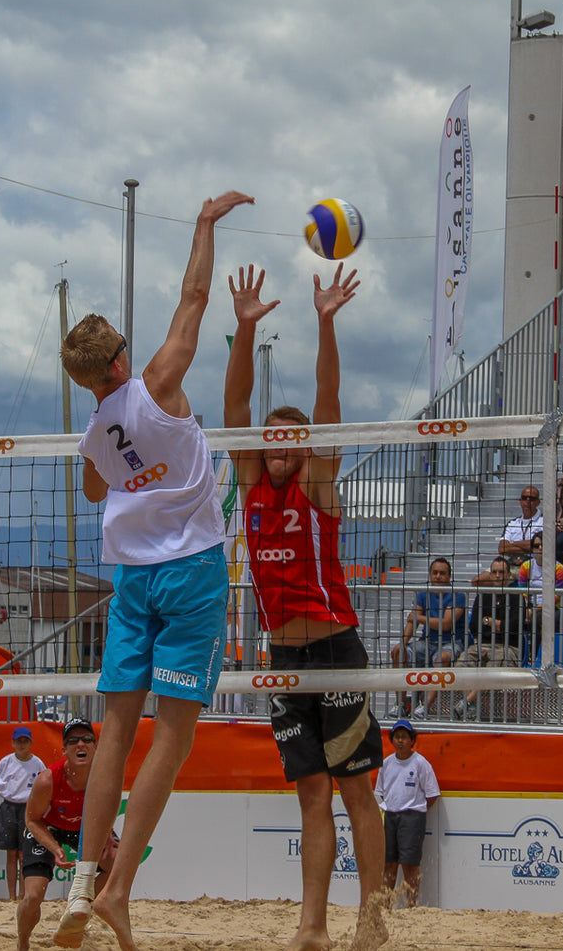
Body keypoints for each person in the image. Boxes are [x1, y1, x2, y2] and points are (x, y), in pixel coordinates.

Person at [53, 190, 251, 951]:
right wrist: (204, 223)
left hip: (131, 580)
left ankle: (82, 878)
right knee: (172, 735)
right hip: (192, 569)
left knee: (114, 731)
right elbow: (195, 296)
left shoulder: (94, 433)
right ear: (121, 359)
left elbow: (93, 489)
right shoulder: (158, 384)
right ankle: (119, 889)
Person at [223, 261, 389, 951]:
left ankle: (371, 916)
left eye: (289, 437)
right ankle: (311, 926)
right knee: (312, 795)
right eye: (271, 437)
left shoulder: (316, 484)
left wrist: (325, 322)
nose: (277, 443)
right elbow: (235, 407)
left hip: (335, 650)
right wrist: (243, 329)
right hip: (283, 657)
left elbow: (328, 399)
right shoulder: (252, 484)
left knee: (356, 792)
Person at [17, 720, 115, 951]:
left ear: (95, 746)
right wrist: (55, 849)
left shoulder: (105, 775)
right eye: (73, 740)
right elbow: (32, 820)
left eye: (87, 739)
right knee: (33, 897)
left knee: (118, 865)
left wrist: (108, 834)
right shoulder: (48, 779)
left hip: (85, 827)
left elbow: (108, 810)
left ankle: (78, 907)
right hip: (48, 827)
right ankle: (23, 942)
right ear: (64, 749)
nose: (80, 744)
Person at [392, 558, 468, 719]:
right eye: (435, 573)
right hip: (426, 642)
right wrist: (402, 643)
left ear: (449, 576)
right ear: (430, 575)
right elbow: (412, 622)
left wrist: (419, 618)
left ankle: (424, 707)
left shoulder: (458, 595)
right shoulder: (423, 594)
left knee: (442, 657)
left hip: (452, 642)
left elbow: (446, 624)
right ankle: (400, 705)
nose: (438, 576)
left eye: (442, 573)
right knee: (399, 652)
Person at [375, 720, 440, 909]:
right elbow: (381, 792)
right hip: (390, 816)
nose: (400, 741)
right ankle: (385, 905)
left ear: (412, 740)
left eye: (404, 737)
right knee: (389, 863)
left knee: (410, 864)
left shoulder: (420, 763)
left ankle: (411, 906)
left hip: (412, 817)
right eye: (397, 737)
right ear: (392, 740)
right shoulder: (386, 763)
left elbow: (432, 794)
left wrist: (417, 810)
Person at [455, 556, 527, 719]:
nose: (497, 575)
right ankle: (471, 706)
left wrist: (487, 621)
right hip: (482, 644)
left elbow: (514, 628)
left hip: (509, 647)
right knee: (462, 661)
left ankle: (466, 702)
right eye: (494, 572)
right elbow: (474, 626)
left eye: (501, 572)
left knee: (495, 665)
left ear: (508, 575)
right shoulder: (483, 596)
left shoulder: (517, 597)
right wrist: (498, 624)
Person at [0, 725, 45, 901]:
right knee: (11, 854)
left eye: (25, 741)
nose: (21, 744)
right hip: (9, 809)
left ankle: (23, 895)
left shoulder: (37, 763)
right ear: (13, 743)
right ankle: (11, 896)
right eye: (18, 741)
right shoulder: (5, 762)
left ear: (30, 743)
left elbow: (43, 786)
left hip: (28, 809)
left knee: (24, 854)